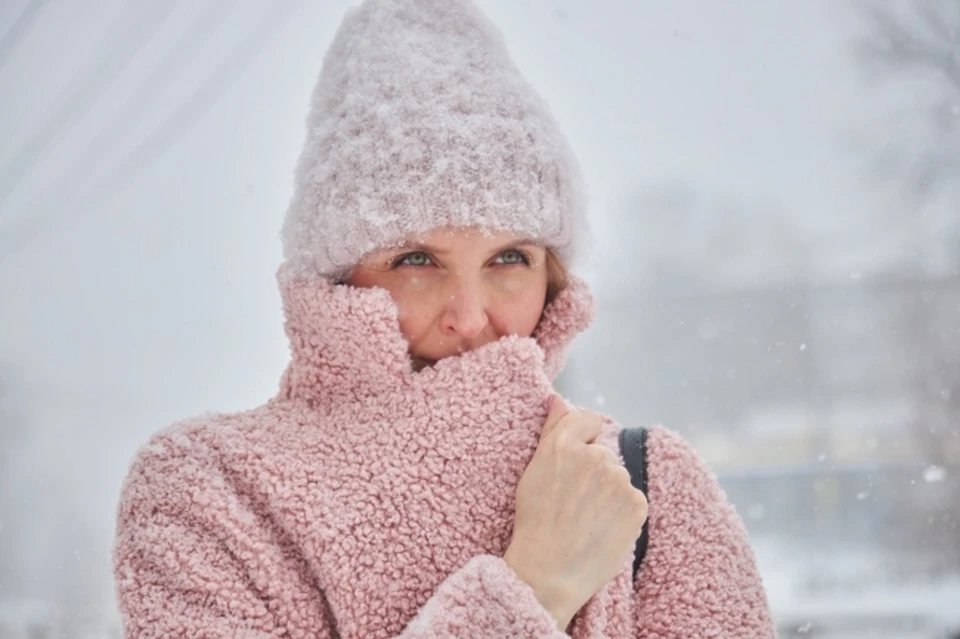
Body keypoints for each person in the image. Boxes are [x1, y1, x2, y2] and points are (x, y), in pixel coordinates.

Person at [112, 0, 776, 636]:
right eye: (417, 258)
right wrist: (535, 588)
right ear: (335, 279)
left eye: (509, 256)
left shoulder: (645, 487)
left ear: (553, 278)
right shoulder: (210, 489)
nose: (469, 314)